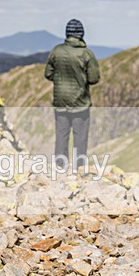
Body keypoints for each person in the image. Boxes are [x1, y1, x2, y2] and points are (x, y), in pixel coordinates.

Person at [44, 19, 100, 170]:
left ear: (67, 34)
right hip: (80, 103)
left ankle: (60, 167)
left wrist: (60, 78)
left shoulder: (56, 51)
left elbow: (48, 74)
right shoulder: (86, 54)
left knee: (61, 135)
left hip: (60, 102)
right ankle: (79, 168)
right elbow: (94, 79)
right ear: (81, 34)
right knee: (80, 137)